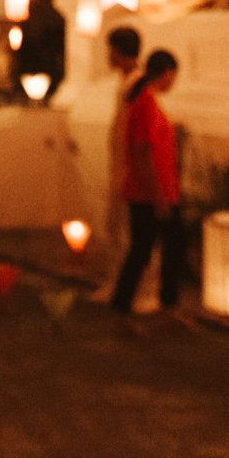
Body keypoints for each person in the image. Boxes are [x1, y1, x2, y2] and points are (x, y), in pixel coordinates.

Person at [111, 49, 185, 317]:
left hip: (156, 190)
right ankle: (128, 307)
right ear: (166, 73)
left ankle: (160, 306)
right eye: (173, 76)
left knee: (157, 248)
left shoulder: (147, 101)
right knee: (148, 250)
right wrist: (158, 198)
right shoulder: (146, 103)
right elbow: (142, 152)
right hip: (150, 193)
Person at [99, 25, 142, 290]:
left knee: (123, 228)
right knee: (116, 225)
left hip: (128, 166)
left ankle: (124, 286)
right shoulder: (126, 82)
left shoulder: (137, 84)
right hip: (120, 163)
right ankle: (117, 282)